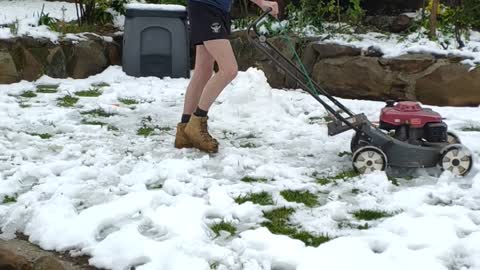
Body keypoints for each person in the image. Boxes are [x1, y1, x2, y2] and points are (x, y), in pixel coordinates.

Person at [174, 0, 279, 153]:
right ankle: (196, 123)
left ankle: (184, 131)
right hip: (207, 8)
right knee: (229, 69)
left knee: (203, 71)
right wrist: (262, 2)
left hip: (210, 8)